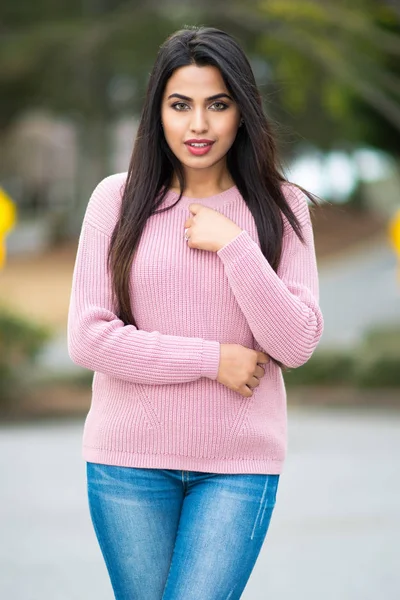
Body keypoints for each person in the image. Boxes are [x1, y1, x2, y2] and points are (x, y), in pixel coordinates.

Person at [67, 25, 324, 600]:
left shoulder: (284, 209)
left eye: (218, 105)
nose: (199, 125)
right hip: (127, 463)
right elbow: (89, 337)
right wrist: (212, 359)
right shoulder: (117, 199)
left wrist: (236, 246)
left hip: (237, 467)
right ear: (158, 112)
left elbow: (297, 342)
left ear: (242, 112)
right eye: (180, 105)